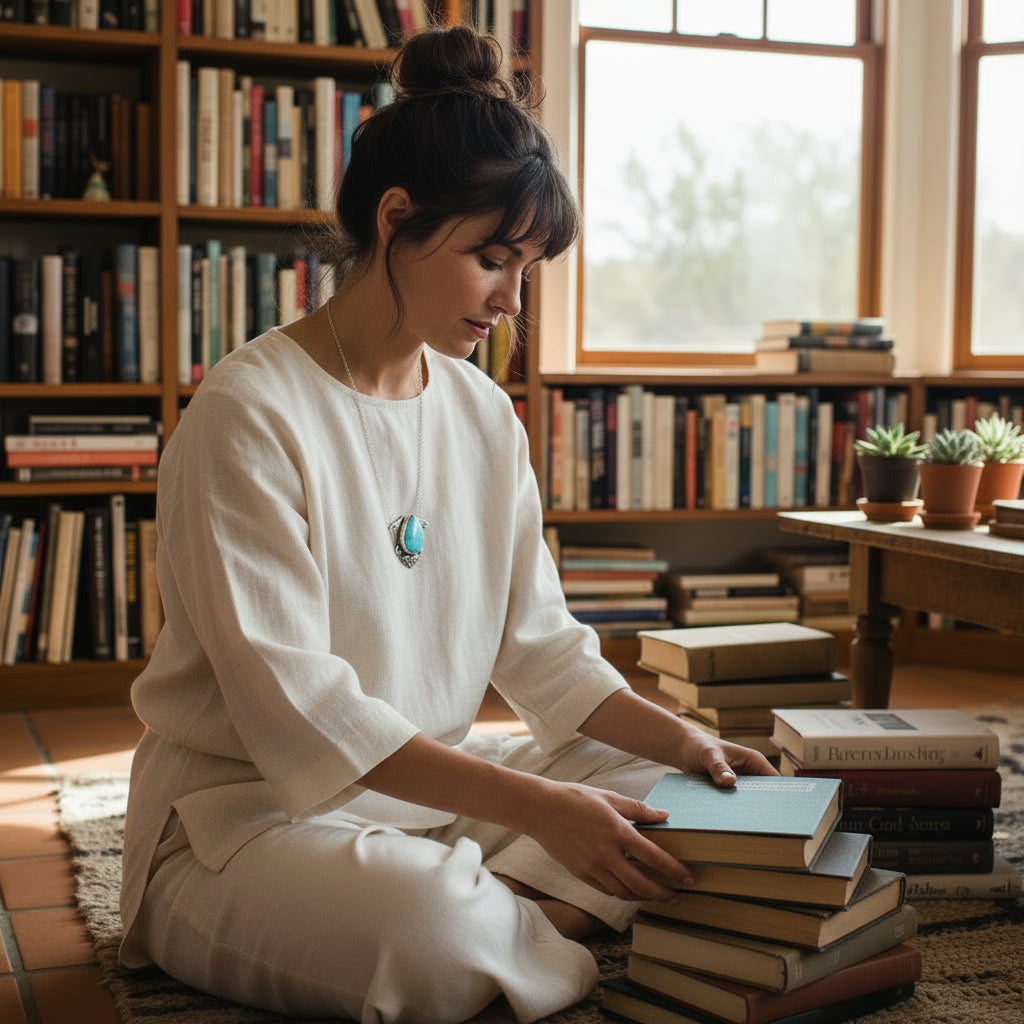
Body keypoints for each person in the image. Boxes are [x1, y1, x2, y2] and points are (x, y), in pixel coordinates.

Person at [119, 23, 777, 1024]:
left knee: (686, 798)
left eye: (526, 267)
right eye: (491, 260)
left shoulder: (477, 412)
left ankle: (511, 917)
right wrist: (540, 812)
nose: (511, 300)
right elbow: (306, 713)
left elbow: (546, 653)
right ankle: (517, 913)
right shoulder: (247, 415)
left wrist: (691, 746)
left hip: (433, 802)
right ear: (396, 220)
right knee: (427, 926)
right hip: (245, 822)